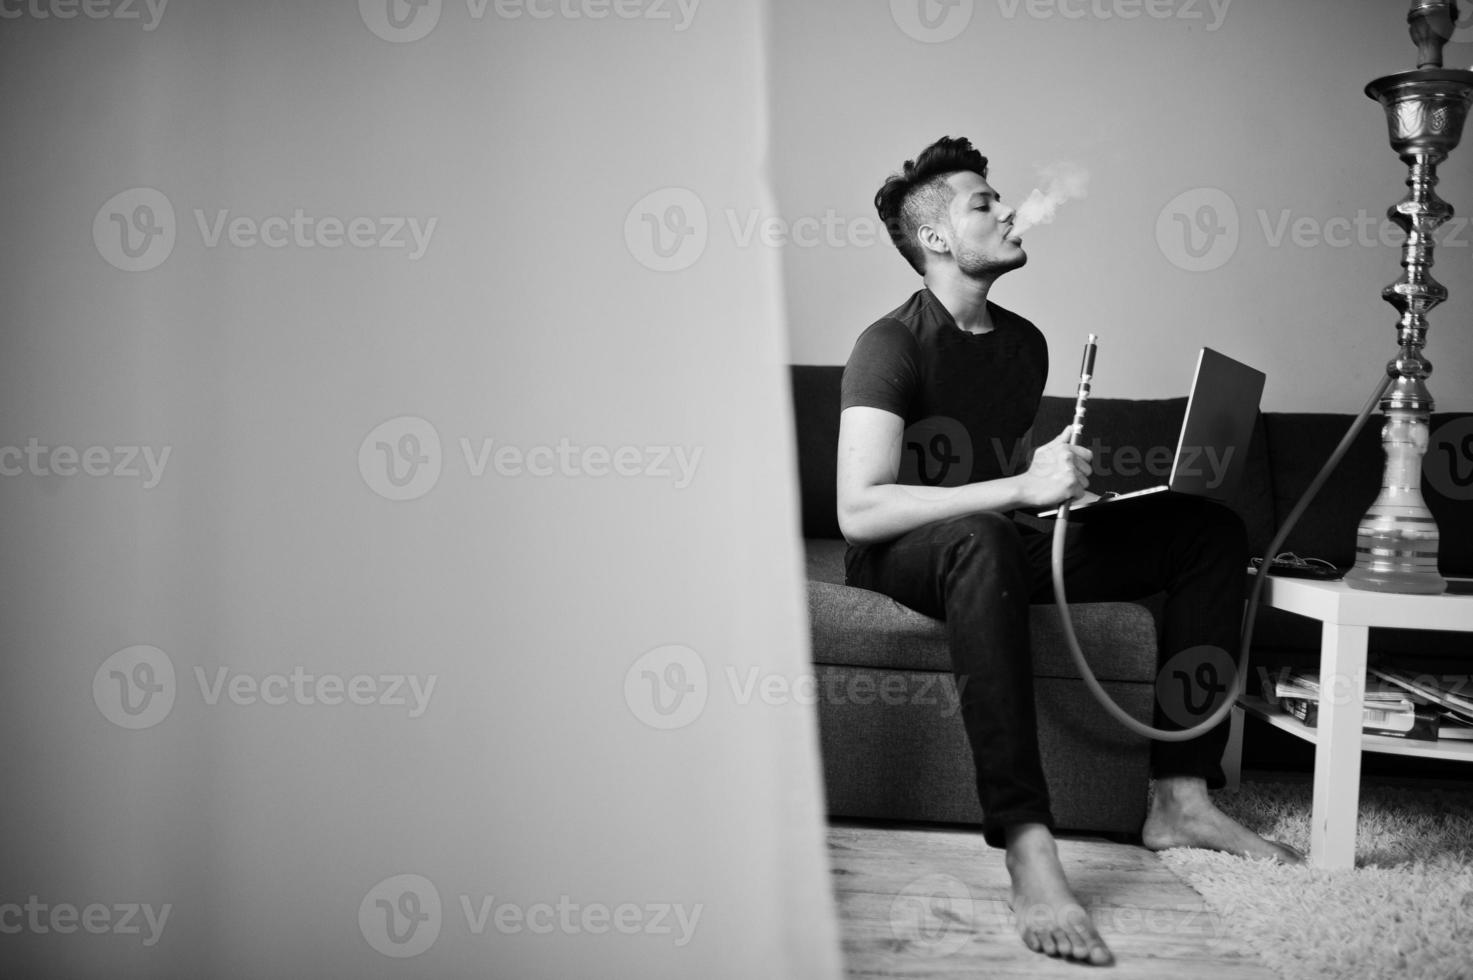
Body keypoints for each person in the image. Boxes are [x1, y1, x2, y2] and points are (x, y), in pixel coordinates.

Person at [838, 136, 1302, 967]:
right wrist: (1017, 494)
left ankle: (1180, 797)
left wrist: (1059, 496)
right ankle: (1026, 842)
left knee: (1206, 530)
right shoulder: (889, 344)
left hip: (996, 537)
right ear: (937, 239)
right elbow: (860, 509)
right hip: (907, 554)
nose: (1009, 208)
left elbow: (998, 475)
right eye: (984, 202)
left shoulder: (1022, 343)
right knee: (981, 537)